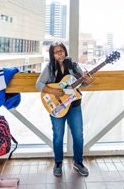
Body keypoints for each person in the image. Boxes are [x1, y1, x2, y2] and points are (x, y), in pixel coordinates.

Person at [36, 42, 95, 177]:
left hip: (74, 106)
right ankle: (58, 163)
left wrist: (88, 80)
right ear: (53, 55)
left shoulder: (73, 65)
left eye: (61, 50)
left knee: (78, 136)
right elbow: (38, 84)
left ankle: (78, 162)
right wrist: (54, 92)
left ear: (65, 51)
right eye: (56, 52)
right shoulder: (50, 67)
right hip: (57, 107)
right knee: (58, 136)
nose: (59, 53)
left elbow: (84, 82)